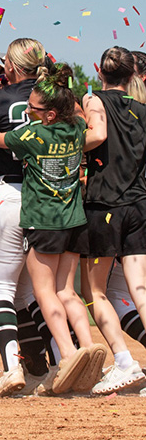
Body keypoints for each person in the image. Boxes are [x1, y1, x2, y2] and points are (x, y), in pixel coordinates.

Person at [0, 62, 107, 394]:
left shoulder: (32, 134)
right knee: (68, 291)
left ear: (49, 114)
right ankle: (89, 351)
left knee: (44, 292)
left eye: (34, 108)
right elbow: (91, 129)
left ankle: (67, 354)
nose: (29, 111)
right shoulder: (75, 131)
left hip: (43, 221)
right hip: (73, 220)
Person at [0, 38, 51, 397]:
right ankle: (54, 360)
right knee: (35, 291)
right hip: (52, 197)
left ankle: (11, 367)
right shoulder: (56, 94)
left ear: (12, 65)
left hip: (12, 191)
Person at [80, 46, 146, 395]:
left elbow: (95, 137)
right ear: (132, 73)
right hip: (140, 207)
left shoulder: (94, 102)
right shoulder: (143, 110)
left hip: (104, 205)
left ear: (99, 71)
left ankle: (124, 362)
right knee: (141, 290)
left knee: (95, 291)